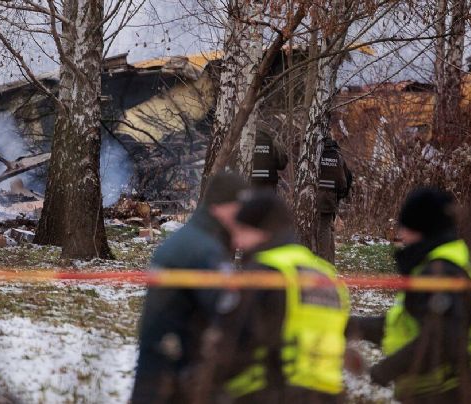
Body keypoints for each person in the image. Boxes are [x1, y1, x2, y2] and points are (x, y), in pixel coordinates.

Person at [347, 188, 471, 404]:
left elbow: (442, 340)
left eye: (406, 227)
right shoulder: (436, 267)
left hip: (448, 392)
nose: (401, 235)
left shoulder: (442, 272)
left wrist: (387, 369)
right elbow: (406, 326)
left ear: (423, 229)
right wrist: (351, 326)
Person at [208, 191, 350, 403]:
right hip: (328, 392)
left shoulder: (267, 271)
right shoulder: (326, 274)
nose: (237, 241)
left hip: (276, 390)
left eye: (242, 231)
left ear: (263, 231)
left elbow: (239, 338)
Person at [131, 172, 248, 404]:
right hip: (174, 371)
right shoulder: (204, 250)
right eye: (239, 209)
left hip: (160, 363)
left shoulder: (193, 239)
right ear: (223, 206)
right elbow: (229, 309)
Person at [316, 138, 352, 263]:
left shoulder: (318, 155)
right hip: (332, 196)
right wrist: (340, 195)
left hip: (319, 194)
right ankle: (329, 260)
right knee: (328, 226)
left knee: (324, 227)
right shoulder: (338, 157)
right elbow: (344, 180)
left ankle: (322, 260)